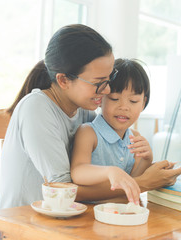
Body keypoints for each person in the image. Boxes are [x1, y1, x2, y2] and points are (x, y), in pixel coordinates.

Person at [0, 24, 181, 209]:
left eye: (109, 79)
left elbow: (105, 168)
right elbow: (65, 190)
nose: (106, 90)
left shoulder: (85, 109)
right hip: (22, 225)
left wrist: (149, 167)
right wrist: (142, 183)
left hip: (70, 221)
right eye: (99, 82)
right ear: (63, 80)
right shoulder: (36, 108)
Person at [71, 58, 152, 205]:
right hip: (89, 213)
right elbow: (78, 171)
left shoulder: (135, 138)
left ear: (143, 103)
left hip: (120, 214)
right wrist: (110, 172)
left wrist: (147, 160)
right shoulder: (88, 132)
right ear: (100, 99)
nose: (124, 107)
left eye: (133, 101)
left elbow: (133, 181)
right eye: (114, 98)